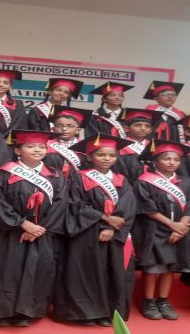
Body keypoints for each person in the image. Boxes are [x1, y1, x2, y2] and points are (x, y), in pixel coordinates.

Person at [0, 130, 68, 327]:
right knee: (1, 271)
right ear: (17, 150)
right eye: (30, 146)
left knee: (34, 271)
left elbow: (61, 204)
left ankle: (26, 311)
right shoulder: (3, 173)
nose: (37, 150)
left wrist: (39, 229)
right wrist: (22, 223)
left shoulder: (56, 176)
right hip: (5, 233)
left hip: (39, 234)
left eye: (41, 147)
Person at [53, 134, 136, 326]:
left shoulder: (121, 180)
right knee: (85, 272)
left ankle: (108, 313)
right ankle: (84, 313)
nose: (107, 158)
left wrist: (111, 228)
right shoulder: (79, 177)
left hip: (114, 235)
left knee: (111, 272)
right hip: (86, 235)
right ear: (89, 157)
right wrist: (104, 219)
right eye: (101, 154)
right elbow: (74, 204)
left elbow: (128, 207)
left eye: (111, 155)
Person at [133, 140, 190, 321]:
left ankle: (163, 300)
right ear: (155, 160)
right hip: (154, 229)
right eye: (166, 158)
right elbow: (147, 208)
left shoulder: (187, 183)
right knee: (153, 268)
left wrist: (180, 228)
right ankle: (148, 301)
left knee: (170, 267)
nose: (172, 162)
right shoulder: (145, 181)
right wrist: (172, 225)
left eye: (176, 159)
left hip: (179, 231)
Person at [115, 108, 162, 183]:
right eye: (138, 125)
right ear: (126, 128)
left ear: (150, 130)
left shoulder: (154, 147)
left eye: (147, 126)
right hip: (129, 185)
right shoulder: (120, 147)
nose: (143, 128)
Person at [44, 105, 92, 177]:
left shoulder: (85, 147)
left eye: (70, 126)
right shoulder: (45, 145)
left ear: (78, 130)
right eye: (59, 125)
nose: (64, 129)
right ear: (53, 129)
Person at [0, 69, 27, 137]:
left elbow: (20, 124)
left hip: (8, 140)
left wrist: (4, 139)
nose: (1, 85)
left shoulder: (18, 104)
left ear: (10, 86)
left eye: (6, 83)